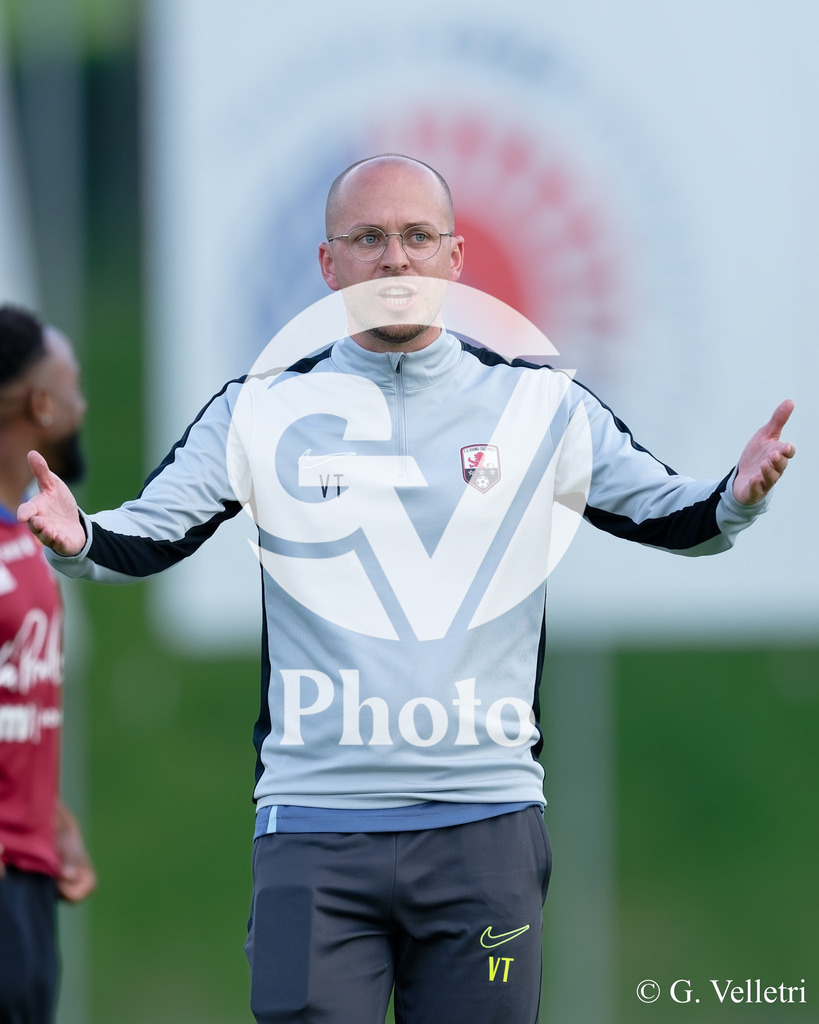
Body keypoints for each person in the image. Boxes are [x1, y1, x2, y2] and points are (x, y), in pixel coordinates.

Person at [18, 155, 795, 1024]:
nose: (395, 257)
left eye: (418, 236)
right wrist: (80, 537)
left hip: (484, 826)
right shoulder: (259, 410)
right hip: (314, 826)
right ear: (329, 265)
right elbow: (150, 530)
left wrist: (735, 496)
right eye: (369, 238)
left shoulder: (539, 406)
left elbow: (671, 513)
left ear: (454, 258)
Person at [0, 304, 96, 1024]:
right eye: (73, 387)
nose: (82, 406)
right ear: (41, 405)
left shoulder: (28, 532)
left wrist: (47, 811)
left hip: (28, 866)